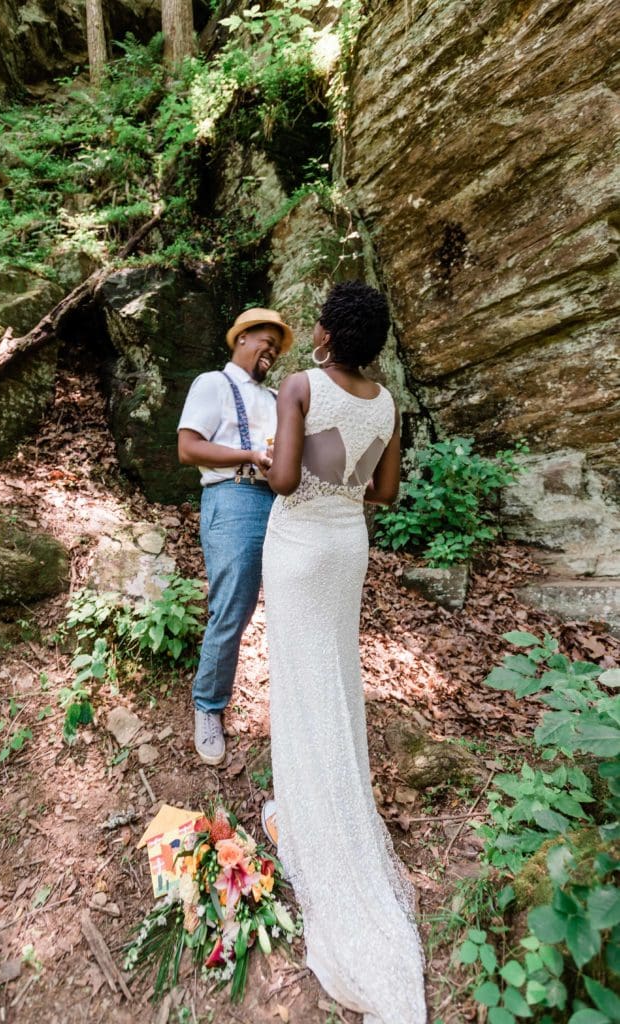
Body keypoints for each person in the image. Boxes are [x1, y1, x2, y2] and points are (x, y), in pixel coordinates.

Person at [262, 281, 427, 1023]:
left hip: (297, 546)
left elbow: (287, 478)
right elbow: (385, 492)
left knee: (301, 684)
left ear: (327, 332)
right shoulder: (386, 404)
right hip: (347, 548)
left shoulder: (299, 386)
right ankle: (321, 805)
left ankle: (306, 822)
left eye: (320, 323)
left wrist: (268, 460)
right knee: (335, 676)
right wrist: (344, 479)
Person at [177, 307, 294, 766]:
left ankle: (290, 712)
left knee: (288, 606)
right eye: (266, 340)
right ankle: (207, 706)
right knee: (233, 608)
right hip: (234, 497)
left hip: (281, 503)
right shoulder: (213, 384)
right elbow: (187, 447)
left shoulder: (274, 397)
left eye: (277, 347)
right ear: (241, 338)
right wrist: (248, 453)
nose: (271, 351)